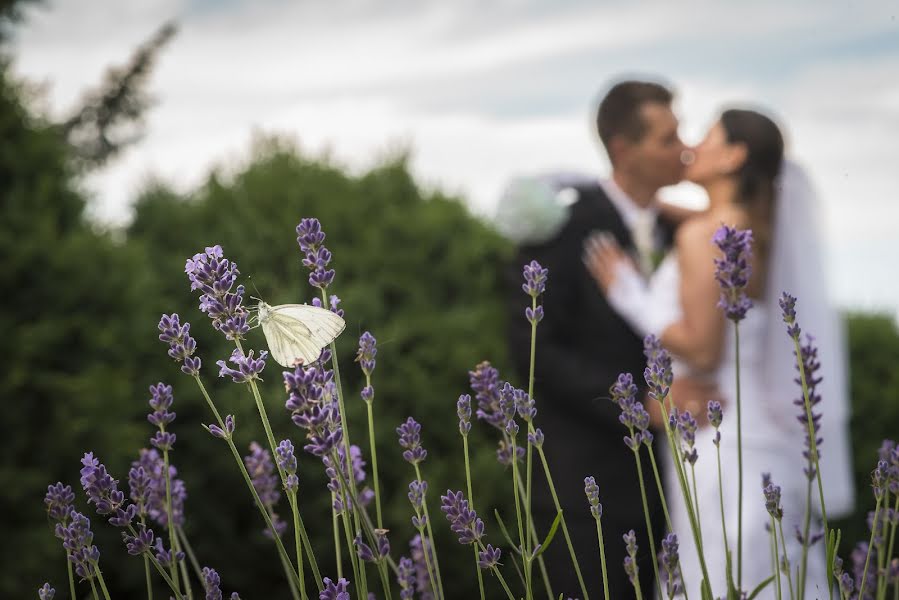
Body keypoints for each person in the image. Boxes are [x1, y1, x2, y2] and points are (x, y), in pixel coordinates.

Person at [583, 108, 854, 598]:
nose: (692, 147)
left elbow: (704, 351)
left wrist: (629, 294)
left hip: (716, 436)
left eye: (707, 137)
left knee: (719, 565)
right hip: (759, 436)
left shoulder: (703, 236)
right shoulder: (755, 230)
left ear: (734, 155)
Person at [503, 80, 718, 599]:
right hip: (585, 487)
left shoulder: (684, 233)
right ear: (624, 149)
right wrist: (640, 406)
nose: (684, 147)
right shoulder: (563, 229)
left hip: (681, 487)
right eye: (668, 138)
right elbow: (536, 352)